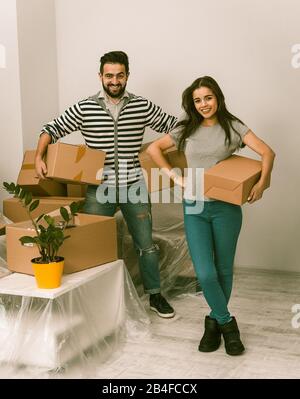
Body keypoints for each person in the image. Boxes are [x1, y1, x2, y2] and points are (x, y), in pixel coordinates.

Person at [34, 51, 178, 318]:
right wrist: (38, 156)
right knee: (92, 245)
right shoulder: (84, 107)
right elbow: (50, 128)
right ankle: (95, 299)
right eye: (109, 75)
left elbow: (174, 126)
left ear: (127, 76)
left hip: (134, 184)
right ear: (100, 76)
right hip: (99, 188)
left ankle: (155, 296)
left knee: (146, 244)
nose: (114, 80)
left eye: (119, 75)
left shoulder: (141, 105)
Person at [146, 76, 275, 354]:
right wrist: (172, 176)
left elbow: (267, 152)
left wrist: (262, 184)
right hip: (195, 207)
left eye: (208, 98)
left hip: (226, 208)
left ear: (218, 97)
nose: (204, 104)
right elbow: (153, 148)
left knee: (224, 270)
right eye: (197, 100)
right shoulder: (186, 129)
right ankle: (227, 323)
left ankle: (212, 322)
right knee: (205, 273)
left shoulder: (234, 126)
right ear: (192, 104)